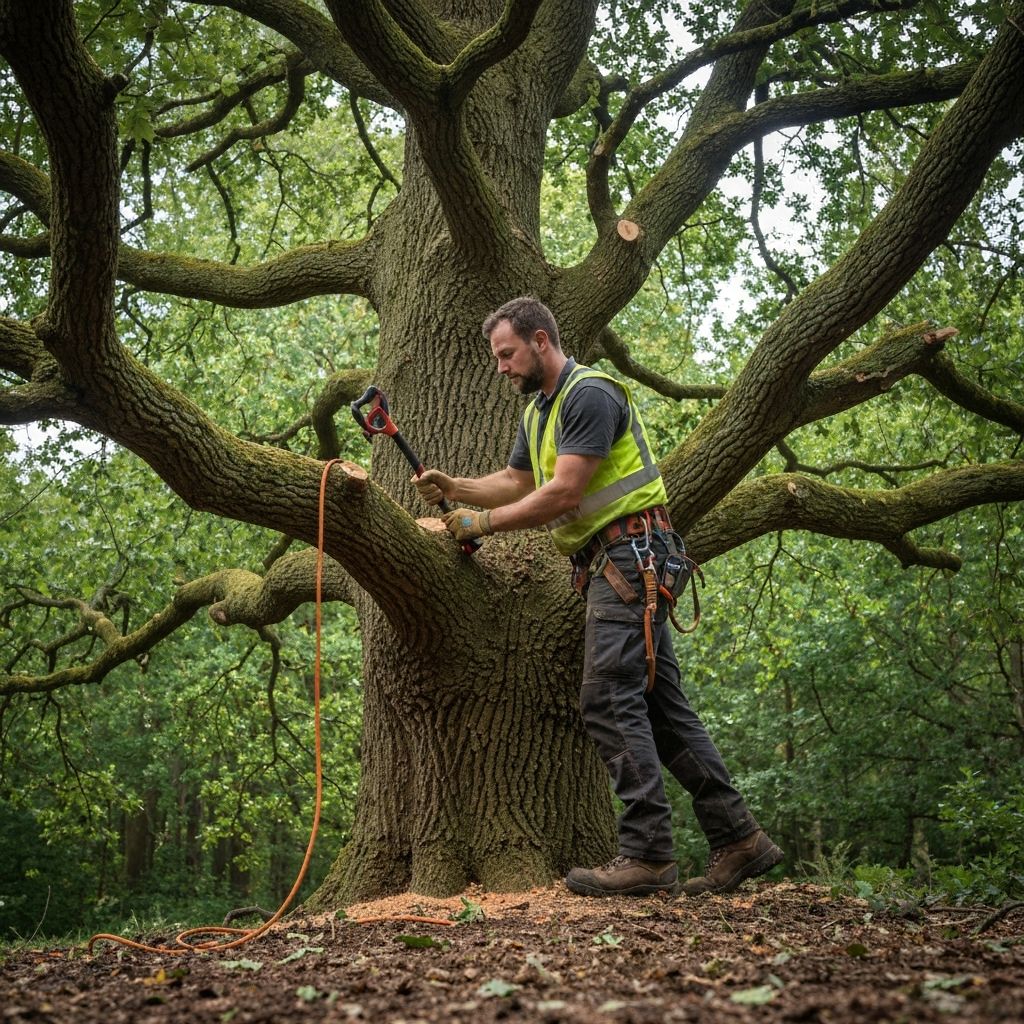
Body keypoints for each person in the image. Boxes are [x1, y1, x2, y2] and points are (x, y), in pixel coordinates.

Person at [414, 296, 782, 897]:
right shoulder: (538, 413)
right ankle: (740, 837)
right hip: (619, 562)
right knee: (661, 711)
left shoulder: (590, 394)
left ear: (540, 340)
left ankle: (648, 855)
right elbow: (518, 482)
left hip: (629, 557)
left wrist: (479, 526)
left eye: (506, 354)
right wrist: (457, 487)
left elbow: (562, 494)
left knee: (610, 699)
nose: (501, 367)